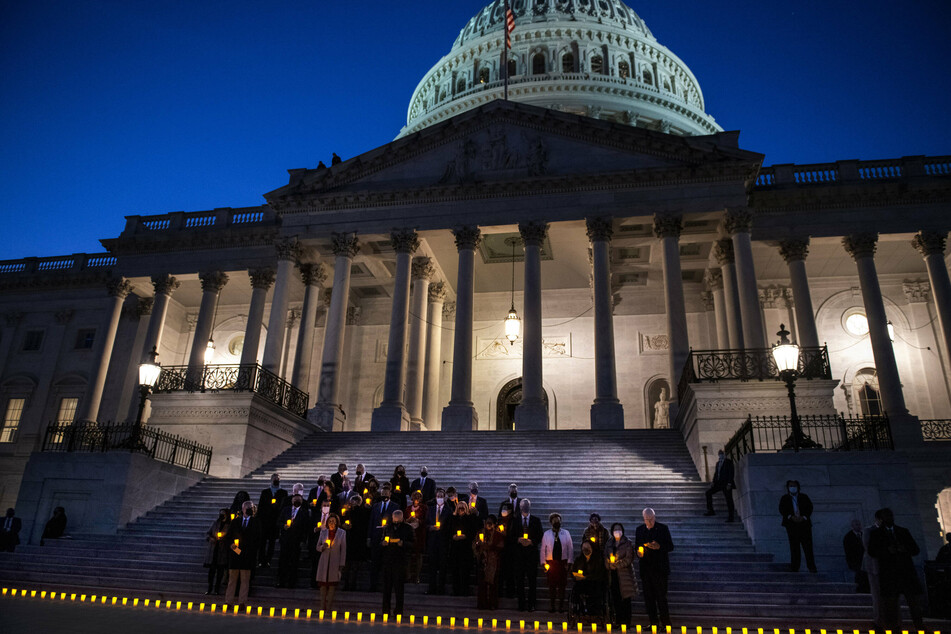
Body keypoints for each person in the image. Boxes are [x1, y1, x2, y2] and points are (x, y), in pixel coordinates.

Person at [867, 507, 924, 631]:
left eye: (890, 516)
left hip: (906, 574)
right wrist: (887, 551)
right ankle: (893, 630)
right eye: (886, 516)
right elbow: (872, 551)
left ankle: (920, 628)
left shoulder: (903, 531)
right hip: (889, 575)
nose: (889, 518)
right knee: (890, 608)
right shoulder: (876, 534)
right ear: (881, 519)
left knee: (914, 606)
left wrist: (904, 549)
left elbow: (915, 549)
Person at [635, 507, 674, 628]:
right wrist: (639, 552)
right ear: (644, 519)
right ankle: (653, 623)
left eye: (651, 519)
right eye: (647, 519)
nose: (650, 521)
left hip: (660, 570)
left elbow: (670, 546)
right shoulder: (640, 530)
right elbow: (637, 546)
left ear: (654, 517)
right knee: (649, 598)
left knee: (661, 597)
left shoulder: (663, 528)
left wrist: (659, 547)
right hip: (646, 570)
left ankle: (666, 623)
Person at [225, 500, 260, 608]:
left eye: (251, 507)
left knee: (245, 580)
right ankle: (229, 601)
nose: (248, 509)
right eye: (247, 507)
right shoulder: (235, 522)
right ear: (243, 509)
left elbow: (258, 539)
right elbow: (228, 537)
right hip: (235, 556)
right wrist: (233, 547)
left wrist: (249, 551)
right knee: (232, 580)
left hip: (247, 556)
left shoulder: (256, 522)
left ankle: (242, 602)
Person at [381, 509, 415, 616]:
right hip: (388, 561)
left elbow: (413, 543)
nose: (395, 521)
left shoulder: (408, 528)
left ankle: (398, 611)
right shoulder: (388, 528)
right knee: (386, 589)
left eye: (397, 519)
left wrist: (403, 543)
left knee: (399, 589)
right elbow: (381, 540)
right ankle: (386, 610)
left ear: (401, 518)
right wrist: (383, 543)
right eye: (394, 519)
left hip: (400, 561)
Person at [778, 479, 816, 572]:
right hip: (791, 525)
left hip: (804, 524)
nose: (793, 488)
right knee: (794, 547)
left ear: (798, 487)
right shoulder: (785, 498)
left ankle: (811, 567)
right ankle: (795, 567)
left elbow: (809, 508)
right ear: (788, 488)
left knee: (808, 547)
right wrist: (791, 517)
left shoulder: (804, 497)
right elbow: (782, 509)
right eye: (791, 486)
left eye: (794, 486)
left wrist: (804, 517)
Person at [605, 522, 637, 629]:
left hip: (624, 575)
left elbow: (629, 558)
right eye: (615, 529)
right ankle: (618, 621)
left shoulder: (627, 543)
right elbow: (605, 556)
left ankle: (626, 621)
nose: (617, 531)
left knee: (626, 599)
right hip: (613, 575)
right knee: (616, 599)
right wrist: (609, 564)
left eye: (619, 529)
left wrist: (617, 565)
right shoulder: (609, 543)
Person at [515, 498, 544, 612]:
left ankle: (532, 604)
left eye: (527, 505)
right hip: (519, 555)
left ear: (529, 507)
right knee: (520, 581)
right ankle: (521, 604)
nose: (525, 507)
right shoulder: (516, 520)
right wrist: (518, 539)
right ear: (520, 507)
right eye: (523, 505)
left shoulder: (536, 520)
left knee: (532, 581)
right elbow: (511, 535)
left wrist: (531, 541)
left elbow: (540, 535)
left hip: (531, 555)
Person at [540, 512, 573, 613]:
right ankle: (552, 605)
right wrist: (543, 562)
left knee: (562, 586)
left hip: (562, 562)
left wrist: (569, 562)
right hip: (551, 562)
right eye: (554, 521)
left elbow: (570, 548)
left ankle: (561, 606)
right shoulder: (546, 534)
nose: (556, 522)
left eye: (558, 520)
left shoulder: (566, 533)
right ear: (551, 522)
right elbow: (543, 549)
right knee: (552, 586)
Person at [316, 513, 347, 613]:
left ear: (337, 522)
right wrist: (322, 547)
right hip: (324, 561)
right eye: (330, 521)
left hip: (335, 561)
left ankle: (328, 608)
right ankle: (322, 607)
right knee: (323, 585)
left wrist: (341, 564)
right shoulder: (323, 532)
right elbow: (317, 546)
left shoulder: (342, 533)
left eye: (333, 521)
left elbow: (343, 549)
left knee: (332, 585)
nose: (331, 523)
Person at [276, 493, 309, 588]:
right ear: (292, 501)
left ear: (302, 502)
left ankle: (292, 582)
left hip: (296, 540)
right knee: (283, 561)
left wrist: (303, 540)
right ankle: (281, 581)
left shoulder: (304, 512)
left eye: (298, 500)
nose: (296, 501)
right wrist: (283, 526)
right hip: (285, 539)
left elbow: (305, 527)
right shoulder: (285, 510)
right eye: (295, 500)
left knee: (294, 562)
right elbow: (278, 522)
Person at [369, 482, 397, 592]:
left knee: (387, 564)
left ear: (390, 494)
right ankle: (373, 585)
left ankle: (387, 586)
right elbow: (371, 521)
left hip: (388, 538)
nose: (385, 494)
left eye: (386, 493)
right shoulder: (376, 506)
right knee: (374, 563)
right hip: (376, 537)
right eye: (383, 492)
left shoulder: (395, 506)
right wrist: (369, 537)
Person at [473, 514, 505, 610]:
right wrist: (479, 545)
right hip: (483, 560)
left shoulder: (498, 535)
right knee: (482, 584)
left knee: (493, 584)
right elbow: (474, 544)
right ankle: (482, 603)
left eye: (490, 523)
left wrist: (490, 547)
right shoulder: (480, 533)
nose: (488, 525)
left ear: (494, 524)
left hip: (493, 561)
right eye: (487, 523)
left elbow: (501, 546)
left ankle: (492, 604)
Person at [426, 487, 452, 595]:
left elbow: (450, 526)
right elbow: (426, 523)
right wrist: (430, 528)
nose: (440, 498)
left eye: (441, 496)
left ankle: (441, 588)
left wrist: (443, 530)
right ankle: (431, 588)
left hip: (443, 541)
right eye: (438, 496)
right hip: (432, 541)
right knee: (432, 566)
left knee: (442, 566)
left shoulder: (448, 510)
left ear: (445, 497)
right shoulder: (431, 509)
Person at [257, 473, 287, 568]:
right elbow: (261, 507)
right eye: (274, 479)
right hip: (265, 521)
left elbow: (284, 507)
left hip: (275, 521)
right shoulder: (265, 492)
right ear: (271, 480)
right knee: (262, 542)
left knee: (272, 542)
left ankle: (268, 560)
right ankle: (261, 560)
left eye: (277, 479)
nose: (276, 480)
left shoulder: (283, 492)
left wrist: (277, 507)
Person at [571, 541, 606, 620]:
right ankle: (579, 611)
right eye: (584, 548)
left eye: (587, 548)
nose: (585, 550)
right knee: (577, 589)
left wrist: (586, 577)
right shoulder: (579, 559)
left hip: (594, 582)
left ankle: (594, 612)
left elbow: (599, 573)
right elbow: (573, 571)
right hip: (582, 583)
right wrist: (576, 576)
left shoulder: (597, 559)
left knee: (595, 590)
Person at [343, 494, 370, 591]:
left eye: (354, 501)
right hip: (353, 541)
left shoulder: (358, 512)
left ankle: (350, 584)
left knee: (352, 565)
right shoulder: (349, 512)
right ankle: (348, 584)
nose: (352, 503)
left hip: (355, 540)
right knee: (350, 565)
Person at [448, 501, 475, 596]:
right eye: (459, 508)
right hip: (455, 548)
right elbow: (448, 530)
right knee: (455, 570)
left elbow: (472, 531)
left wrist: (465, 536)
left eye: (463, 508)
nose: (461, 510)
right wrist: (453, 536)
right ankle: (456, 590)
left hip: (465, 548)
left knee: (465, 571)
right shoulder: (453, 518)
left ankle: (465, 590)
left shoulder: (469, 518)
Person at [863, 510, 884, 628]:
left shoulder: (890, 530)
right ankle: (879, 620)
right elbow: (868, 548)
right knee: (877, 595)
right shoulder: (869, 530)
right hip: (874, 566)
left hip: (889, 568)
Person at [703, 448, 736, 522]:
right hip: (718, 483)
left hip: (726, 484)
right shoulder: (718, 463)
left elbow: (731, 473)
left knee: (729, 500)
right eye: (719, 453)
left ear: (724, 454)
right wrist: (713, 482)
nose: (720, 455)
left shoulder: (728, 462)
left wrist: (729, 483)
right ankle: (711, 510)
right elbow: (716, 473)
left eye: (721, 453)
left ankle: (731, 517)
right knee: (708, 493)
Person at [203, 508, 231, 595]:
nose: (221, 515)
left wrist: (223, 539)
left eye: (223, 514)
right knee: (211, 571)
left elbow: (230, 537)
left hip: (222, 551)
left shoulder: (229, 525)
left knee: (220, 572)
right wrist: (210, 538)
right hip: (214, 550)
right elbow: (208, 533)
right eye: (220, 514)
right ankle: (210, 588)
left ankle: (217, 589)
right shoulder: (215, 523)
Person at [309, 497, 334, 588]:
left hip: (328, 543)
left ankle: (324, 584)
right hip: (316, 542)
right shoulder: (315, 515)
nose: (326, 507)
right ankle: (314, 583)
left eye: (328, 506)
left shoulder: (333, 517)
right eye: (324, 505)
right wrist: (315, 530)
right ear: (321, 506)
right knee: (315, 564)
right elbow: (309, 527)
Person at [406, 491, 428, 583]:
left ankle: (417, 576)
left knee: (419, 555)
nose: (416, 499)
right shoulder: (408, 509)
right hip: (410, 534)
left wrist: (418, 520)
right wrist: (409, 520)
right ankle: (408, 575)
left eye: (418, 497)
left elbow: (426, 520)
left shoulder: (424, 508)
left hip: (419, 534)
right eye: (415, 497)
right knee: (408, 555)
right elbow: (404, 520)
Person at [843, 519, 869, 593]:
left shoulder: (864, 535)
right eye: (856, 525)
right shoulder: (848, 537)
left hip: (864, 560)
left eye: (859, 524)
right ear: (852, 526)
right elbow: (848, 552)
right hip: (855, 561)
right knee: (860, 575)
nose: (859, 526)